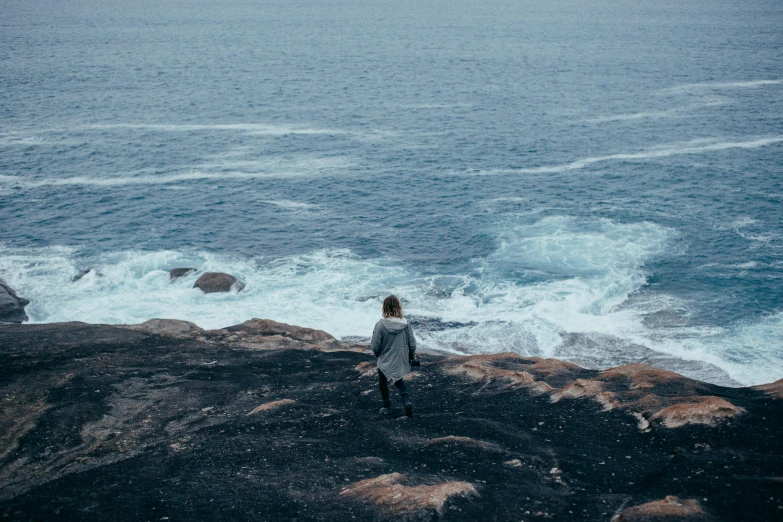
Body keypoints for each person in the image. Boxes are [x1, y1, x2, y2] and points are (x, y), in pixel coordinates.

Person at [370, 295, 417, 417]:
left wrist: (376, 353)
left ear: (384, 308)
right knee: (398, 380)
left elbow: (375, 345)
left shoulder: (380, 325)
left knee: (383, 382)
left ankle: (387, 407)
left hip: (385, 358)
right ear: (398, 307)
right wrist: (412, 357)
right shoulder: (406, 324)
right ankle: (406, 401)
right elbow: (412, 343)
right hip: (400, 358)